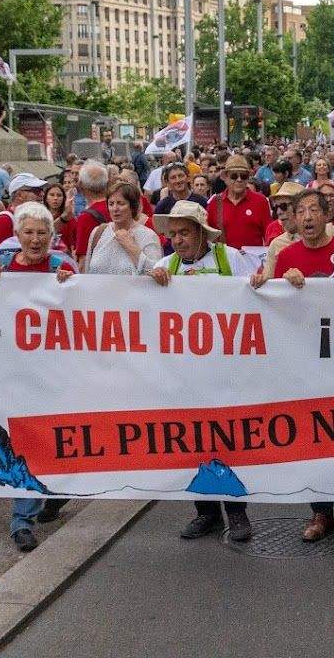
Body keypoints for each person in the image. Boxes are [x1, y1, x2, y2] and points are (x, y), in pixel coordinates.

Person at [253, 189, 334, 542]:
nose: (307, 217)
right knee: (314, 435)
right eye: (300, 211)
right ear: (293, 219)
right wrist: (274, 281)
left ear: (328, 216)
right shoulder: (286, 254)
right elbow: (273, 306)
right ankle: (321, 513)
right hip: (304, 363)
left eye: (314, 210)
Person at [149, 200, 254, 541]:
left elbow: (256, 295)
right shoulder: (166, 265)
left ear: (201, 233)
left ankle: (237, 515)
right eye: (173, 234)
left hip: (226, 370)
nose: (177, 240)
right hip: (186, 375)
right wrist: (151, 281)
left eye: (184, 233)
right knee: (193, 442)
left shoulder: (231, 258)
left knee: (227, 441)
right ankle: (205, 512)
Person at [0, 202, 75, 551]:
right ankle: (24, 516)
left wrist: (73, 285)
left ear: (51, 237)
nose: (35, 240)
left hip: (51, 371)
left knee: (44, 442)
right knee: (19, 442)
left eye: (42, 233)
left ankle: (35, 508)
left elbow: (84, 309)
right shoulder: (1, 266)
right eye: (29, 232)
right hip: (13, 369)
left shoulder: (62, 266)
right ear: (17, 235)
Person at [81, 181, 162, 275]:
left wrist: (131, 246)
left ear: (132, 206)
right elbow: (87, 273)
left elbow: (157, 273)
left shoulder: (148, 235)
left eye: (121, 203)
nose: (115, 209)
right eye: (111, 204)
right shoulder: (98, 232)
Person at [208, 154, 271, 248]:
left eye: (244, 176)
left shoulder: (260, 201)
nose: (239, 179)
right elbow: (209, 238)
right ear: (226, 178)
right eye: (234, 176)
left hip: (253, 261)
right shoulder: (215, 203)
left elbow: (268, 235)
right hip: (225, 261)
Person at [0, 173, 48, 260]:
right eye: (36, 190)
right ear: (19, 195)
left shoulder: (32, 219)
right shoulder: (5, 220)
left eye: (41, 190)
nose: (42, 194)